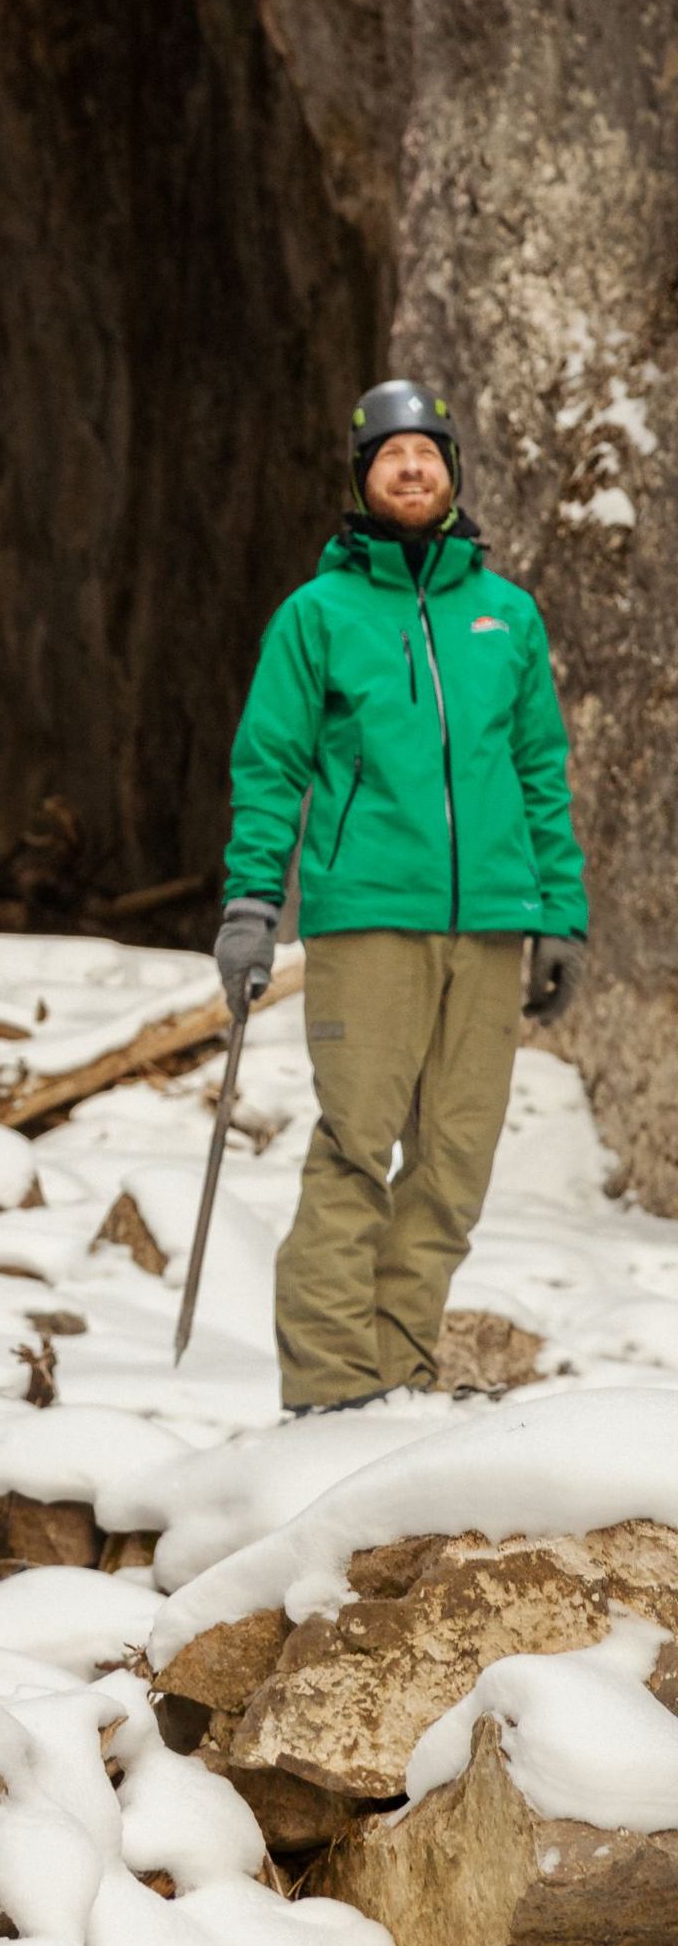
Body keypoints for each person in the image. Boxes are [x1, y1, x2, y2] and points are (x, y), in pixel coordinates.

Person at [215, 378, 588, 1416]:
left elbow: (540, 771)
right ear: (362, 479)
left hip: (492, 927)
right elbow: (270, 765)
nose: (412, 467)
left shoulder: (506, 617)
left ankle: (401, 1378)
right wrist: (251, 905)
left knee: (455, 1164)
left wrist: (560, 913)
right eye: (390, 456)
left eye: (428, 452)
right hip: (369, 914)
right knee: (355, 1149)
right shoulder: (318, 615)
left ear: (454, 473)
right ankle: (332, 1395)